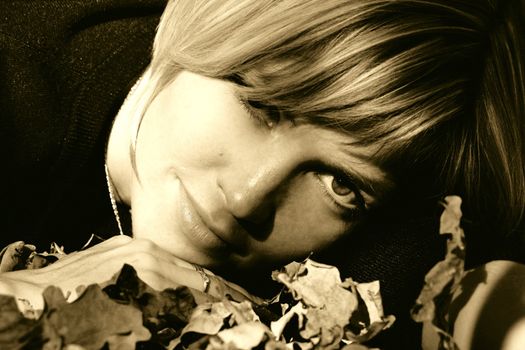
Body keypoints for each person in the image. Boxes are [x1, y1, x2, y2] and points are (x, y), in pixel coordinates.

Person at [1, 0, 524, 348]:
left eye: (337, 183)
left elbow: (485, 294)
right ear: (203, 26)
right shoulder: (17, 83)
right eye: (261, 104)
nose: (251, 196)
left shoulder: (370, 231)